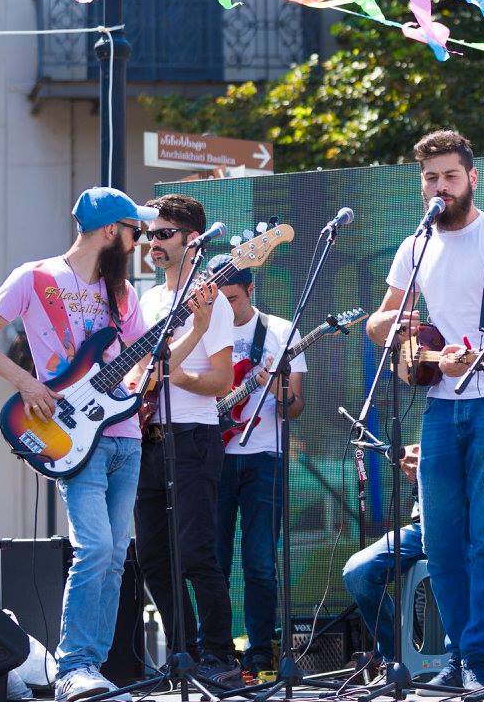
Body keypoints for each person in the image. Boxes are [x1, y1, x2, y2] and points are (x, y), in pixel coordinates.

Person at [0, 186, 218, 702]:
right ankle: (73, 667)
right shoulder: (34, 278)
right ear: (109, 231)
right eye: (134, 232)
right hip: (70, 434)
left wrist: (199, 325)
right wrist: (28, 384)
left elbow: (149, 364)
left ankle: (92, 671)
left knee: (115, 555)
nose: (139, 241)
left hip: (125, 436)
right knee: (96, 547)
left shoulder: (121, 294)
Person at [365, 130, 484, 691]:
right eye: (431, 178)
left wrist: (474, 358)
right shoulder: (415, 246)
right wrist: (398, 331)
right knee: (440, 539)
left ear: (472, 179)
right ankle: (462, 656)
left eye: (450, 177)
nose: (440, 187)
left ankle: (483, 657)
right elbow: (379, 322)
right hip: (440, 405)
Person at [342, 376, 484, 675]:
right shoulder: (441, 391)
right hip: (429, 524)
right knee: (358, 572)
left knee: (482, 554)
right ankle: (395, 659)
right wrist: (417, 461)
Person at [131, 195, 242, 689]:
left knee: (197, 553)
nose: (152, 243)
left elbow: (221, 380)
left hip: (193, 436)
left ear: (192, 239)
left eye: (163, 234)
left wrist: (175, 375)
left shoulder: (210, 299)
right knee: (153, 557)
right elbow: (139, 370)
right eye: (149, 235)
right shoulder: (148, 299)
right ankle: (183, 655)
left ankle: (221, 656)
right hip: (146, 439)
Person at [210, 257, 307, 679]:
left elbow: (294, 408)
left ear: (251, 290)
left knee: (261, 562)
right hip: (213, 457)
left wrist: (280, 384)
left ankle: (260, 654)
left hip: (265, 455)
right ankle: (213, 651)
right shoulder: (203, 330)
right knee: (212, 560)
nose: (226, 308)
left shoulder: (281, 332)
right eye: (218, 300)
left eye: (232, 299)